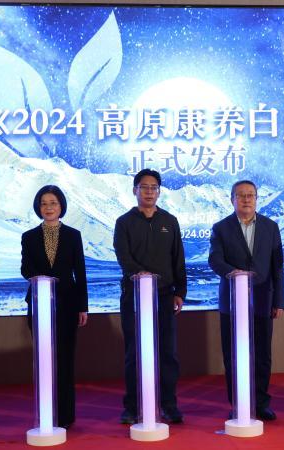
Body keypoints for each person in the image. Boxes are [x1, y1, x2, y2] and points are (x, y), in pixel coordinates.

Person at [113, 169, 187, 425]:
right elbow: (123, 256)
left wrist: (180, 292)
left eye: (153, 187)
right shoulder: (124, 222)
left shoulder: (170, 221)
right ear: (134, 190)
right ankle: (132, 407)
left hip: (164, 296)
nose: (149, 192)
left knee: (168, 353)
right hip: (133, 297)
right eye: (144, 187)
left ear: (159, 191)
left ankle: (169, 405)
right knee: (134, 352)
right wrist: (139, 274)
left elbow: (178, 258)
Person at [208, 180, 284, 421]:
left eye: (250, 195)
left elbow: (277, 267)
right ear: (232, 199)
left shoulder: (271, 227)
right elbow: (215, 260)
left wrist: (279, 301)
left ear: (256, 199)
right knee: (234, 355)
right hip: (232, 301)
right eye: (241, 195)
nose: (246, 199)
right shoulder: (221, 228)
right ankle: (239, 403)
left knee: (262, 355)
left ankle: (261, 403)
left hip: (263, 300)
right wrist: (234, 273)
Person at [21, 185, 88, 429]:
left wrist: (82, 307)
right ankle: (45, 413)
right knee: (43, 360)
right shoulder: (29, 236)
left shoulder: (73, 235)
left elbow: (80, 272)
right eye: (44, 203)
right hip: (39, 304)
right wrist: (40, 279)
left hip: (67, 306)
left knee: (65, 359)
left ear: (61, 206)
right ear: (38, 207)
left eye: (53, 203)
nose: (48, 208)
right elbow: (25, 268)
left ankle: (66, 416)